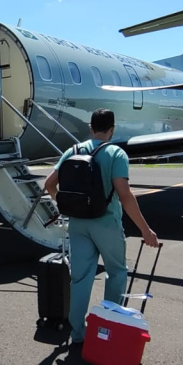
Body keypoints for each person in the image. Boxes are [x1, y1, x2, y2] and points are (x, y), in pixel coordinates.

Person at [43, 108, 159, 346]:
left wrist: (66, 205)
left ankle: (78, 335)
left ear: (90, 128)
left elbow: (49, 184)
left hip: (78, 224)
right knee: (116, 272)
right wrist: (145, 230)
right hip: (106, 223)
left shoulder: (72, 151)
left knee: (80, 278)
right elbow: (125, 195)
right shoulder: (116, 153)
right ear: (112, 129)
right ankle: (108, 328)